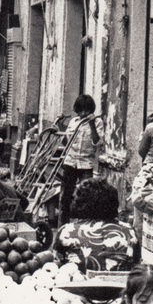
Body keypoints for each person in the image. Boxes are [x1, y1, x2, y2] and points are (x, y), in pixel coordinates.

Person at [54, 177, 137, 273]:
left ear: (79, 202)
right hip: (119, 286)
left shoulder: (66, 231)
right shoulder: (128, 230)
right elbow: (135, 263)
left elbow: (57, 266)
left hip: (79, 286)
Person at [58, 94, 104, 227]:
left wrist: (91, 124)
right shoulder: (74, 122)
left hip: (86, 163)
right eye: (81, 110)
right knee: (66, 195)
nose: (84, 113)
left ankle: (85, 225)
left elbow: (97, 142)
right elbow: (66, 142)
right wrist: (61, 127)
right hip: (70, 162)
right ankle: (63, 225)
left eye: (87, 110)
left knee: (86, 195)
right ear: (77, 110)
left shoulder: (97, 123)